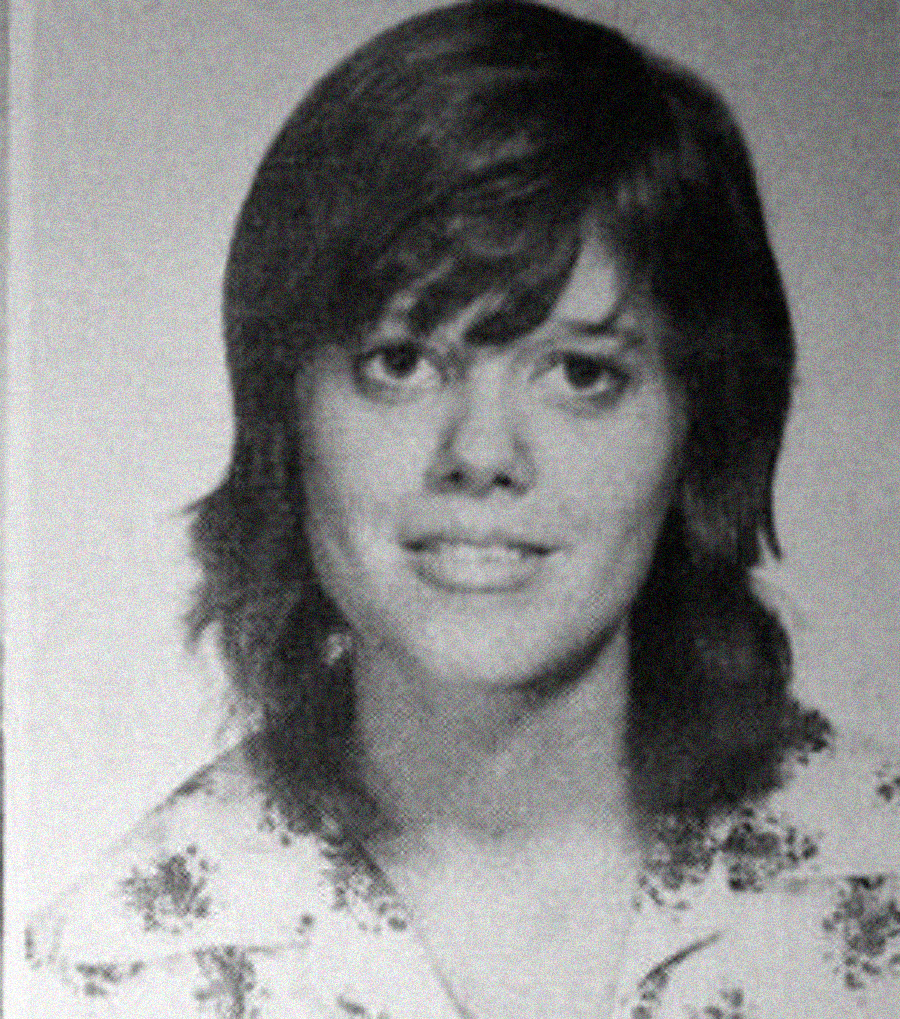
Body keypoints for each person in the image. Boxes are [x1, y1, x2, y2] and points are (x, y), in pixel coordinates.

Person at [26, 2, 900, 1016]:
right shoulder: (115, 967)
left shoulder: (877, 883)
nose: (482, 452)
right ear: (284, 415)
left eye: (580, 373)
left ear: (701, 423)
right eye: (400, 362)